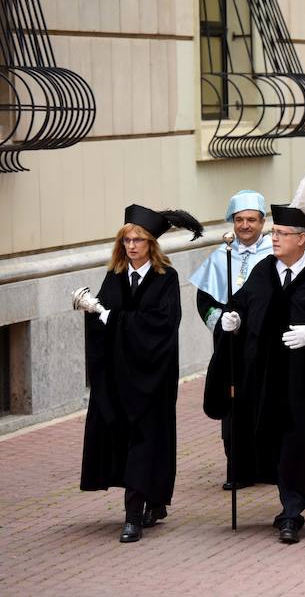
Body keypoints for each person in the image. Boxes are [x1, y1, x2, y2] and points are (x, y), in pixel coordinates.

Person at [204, 161, 305, 544]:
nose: (275, 239)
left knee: (300, 441)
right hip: (266, 378)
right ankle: (288, 500)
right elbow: (241, 305)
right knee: (276, 443)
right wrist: (230, 321)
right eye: (275, 232)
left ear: (303, 239)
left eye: (283, 233)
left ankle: (291, 512)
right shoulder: (264, 270)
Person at [79, 204, 203, 543]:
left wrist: (110, 318)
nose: (132, 246)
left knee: (149, 442)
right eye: (127, 240)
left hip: (153, 377)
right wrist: (94, 312)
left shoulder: (166, 278)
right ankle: (154, 501)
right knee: (127, 441)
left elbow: (162, 325)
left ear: (151, 244)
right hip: (120, 378)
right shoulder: (114, 276)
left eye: (139, 240)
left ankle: (134, 515)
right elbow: (104, 316)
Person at [190, 190, 271, 491]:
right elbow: (203, 300)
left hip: (262, 343)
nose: (245, 225)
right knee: (234, 402)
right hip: (231, 343)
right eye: (240, 220)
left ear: (263, 222)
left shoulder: (274, 255)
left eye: (251, 219)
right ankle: (236, 466)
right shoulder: (221, 255)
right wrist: (219, 321)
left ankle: (265, 464)